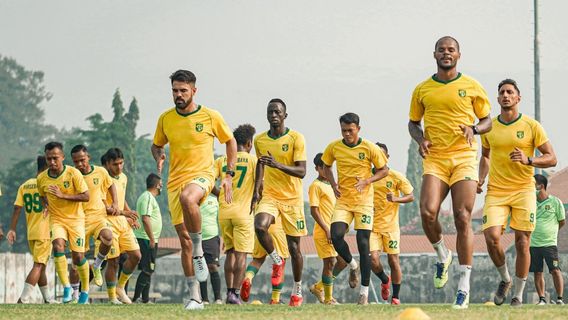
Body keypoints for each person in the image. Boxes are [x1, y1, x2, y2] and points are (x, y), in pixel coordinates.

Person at [408, 36, 493, 309]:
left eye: (451, 50)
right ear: (434, 54)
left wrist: (475, 129)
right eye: (442, 50)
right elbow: (412, 123)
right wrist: (420, 140)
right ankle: (442, 253)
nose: (447, 53)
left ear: (459, 55)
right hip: (436, 159)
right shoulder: (422, 89)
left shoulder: (471, 86)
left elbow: (488, 120)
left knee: (462, 217)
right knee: (427, 211)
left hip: (464, 158)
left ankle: (463, 286)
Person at [151, 69, 237, 310]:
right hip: (174, 180)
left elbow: (230, 141)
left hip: (203, 175)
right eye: (175, 91)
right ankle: (195, 296)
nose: (178, 95)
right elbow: (156, 145)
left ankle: (200, 250)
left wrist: (228, 174)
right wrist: (159, 156)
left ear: (194, 91)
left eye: (183, 90)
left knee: (189, 198)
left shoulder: (210, 116)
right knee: (184, 242)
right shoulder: (166, 119)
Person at [478, 79, 557, 307]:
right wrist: (480, 178)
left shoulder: (532, 126)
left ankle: (518, 295)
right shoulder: (489, 127)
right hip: (496, 191)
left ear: (518, 98)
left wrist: (528, 159)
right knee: (492, 238)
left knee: (523, 243)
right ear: (498, 98)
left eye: (510, 92)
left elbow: (552, 157)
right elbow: (485, 156)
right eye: (501, 92)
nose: (505, 95)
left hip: (523, 190)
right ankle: (505, 279)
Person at [322, 112, 389, 305]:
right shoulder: (334, 147)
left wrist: (367, 180)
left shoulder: (369, 148)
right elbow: (326, 165)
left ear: (358, 129)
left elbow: (384, 170)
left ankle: (364, 293)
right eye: (344, 131)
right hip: (344, 200)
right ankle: (352, 265)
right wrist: (333, 184)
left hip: (364, 202)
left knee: (363, 243)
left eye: (350, 130)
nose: (347, 134)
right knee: (335, 236)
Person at [252, 98, 307, 306]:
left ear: (285, 115)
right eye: (270, 112)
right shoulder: (260, 140)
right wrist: (257, 189)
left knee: (295, 248)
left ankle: (297, 290)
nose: (274, 115)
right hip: (271, 196)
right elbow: (260, 164)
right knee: (260, 226)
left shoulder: (296, 138)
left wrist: (277, 164)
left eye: (277, 112)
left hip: (292, 199)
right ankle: (277, 260)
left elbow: (302, 171)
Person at [36, 142, 90, 304]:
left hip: (76, 220)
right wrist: (46, 205)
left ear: (63, 157)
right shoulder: (42, 178)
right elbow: (41, 195)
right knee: (58, 246)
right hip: (57, 219)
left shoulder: (73, 173)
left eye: (55, 158)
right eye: (49, 159)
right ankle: (66, 287)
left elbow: (86, 196)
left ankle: (85, 291)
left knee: (78, 257)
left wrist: (62, 196)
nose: (52, 162)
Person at [214, 124, 257, 304]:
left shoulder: (222, 160)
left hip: (224, 212)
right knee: (241, 255)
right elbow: (260, 186)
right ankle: (235, 293)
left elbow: (209, 183)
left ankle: (229, 292)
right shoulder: (254, 161)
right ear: (249, 143)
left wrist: (220, 196)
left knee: (230, 252)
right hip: (243, 214)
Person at [6, 156, 58, 303]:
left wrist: (12, 229)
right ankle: (24, 298)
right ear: (47, 166)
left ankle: (48, 298)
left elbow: (17, 208)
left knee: (41, 264)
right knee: (39, 265)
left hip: (32, 232)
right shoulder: (47, 185)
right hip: (44, 231)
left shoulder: (25, 185)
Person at [69, 145, 117, 293]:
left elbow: (111, 185)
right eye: (76, 162)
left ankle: (96, 265)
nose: (79, 164)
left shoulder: (101, 172)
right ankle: (75, 294)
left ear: (88, 157)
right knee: (76, 260)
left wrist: (114, 202)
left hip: (98, 218)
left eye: (82, 160)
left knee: (108, 237)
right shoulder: (72, 176)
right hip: (79, 220)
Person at [370, 143, 414, 305]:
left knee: (393, 261)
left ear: (387, 158)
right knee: (373, 260)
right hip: (372, 228)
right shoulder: (368, 178)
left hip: (391, 227)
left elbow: (411, 196)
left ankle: (395, 297)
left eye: (381, 155)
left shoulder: (395, 176)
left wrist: (396, 199)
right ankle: (384, 279)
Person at [101, 148, 142, 304]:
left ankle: (120, 287)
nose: (119, 167)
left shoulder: (123, 177)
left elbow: (121, 197)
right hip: (108, 224)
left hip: (123, 223)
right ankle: (112, 297)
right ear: (107, 164)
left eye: (121, 163)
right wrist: (124, 213)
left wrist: (129, 213)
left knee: (136, 256)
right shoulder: (102, 179)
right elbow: (103, 205)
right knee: (113, 261)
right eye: (115, 164)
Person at [308, 153, 349, 305]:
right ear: (317, 168)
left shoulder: (333, 185)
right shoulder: (315, 186)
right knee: (330, 262)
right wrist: (326, 229)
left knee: (343, 261)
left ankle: (318, 287)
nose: (326, 170)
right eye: (323, 168)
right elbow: (314, 210)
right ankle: (328, 299)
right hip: (323, 231)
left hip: (335, 232)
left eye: (329, 168)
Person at [531, 174, 565, 305]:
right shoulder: (530, 202)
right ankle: (542, 299)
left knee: (555, 270)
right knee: (537, 272)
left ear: (540, 186)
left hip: (550, 244)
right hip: (533, 244)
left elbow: (562, 222)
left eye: (533, 185)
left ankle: (560, 299)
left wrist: (550, 232)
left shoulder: (555, 202)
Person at [242, 215, 290, 304]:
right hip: (277, 229)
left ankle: (248, 278)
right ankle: (275, 299)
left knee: (257, 260)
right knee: (280, 262)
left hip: (260, 229)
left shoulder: (257, 200)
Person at [133, 173, 163, 303]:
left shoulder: (149, 197)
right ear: (157, 185)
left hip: (150, 238)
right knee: (147, 269)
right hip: (146, 238)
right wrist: (151, 238)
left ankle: (145, 299)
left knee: (149, 269)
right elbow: (145, 219)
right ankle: (136, 298)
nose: (162, 187)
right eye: (161, 185)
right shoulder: (148, 197)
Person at [198, 194, 222, 304]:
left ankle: (218, 298)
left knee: (212, 267)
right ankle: (204, 299)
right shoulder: (194, 199)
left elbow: (222, 219)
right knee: (201, 268)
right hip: (197, 238)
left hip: (212, 237)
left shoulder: (215, 200)